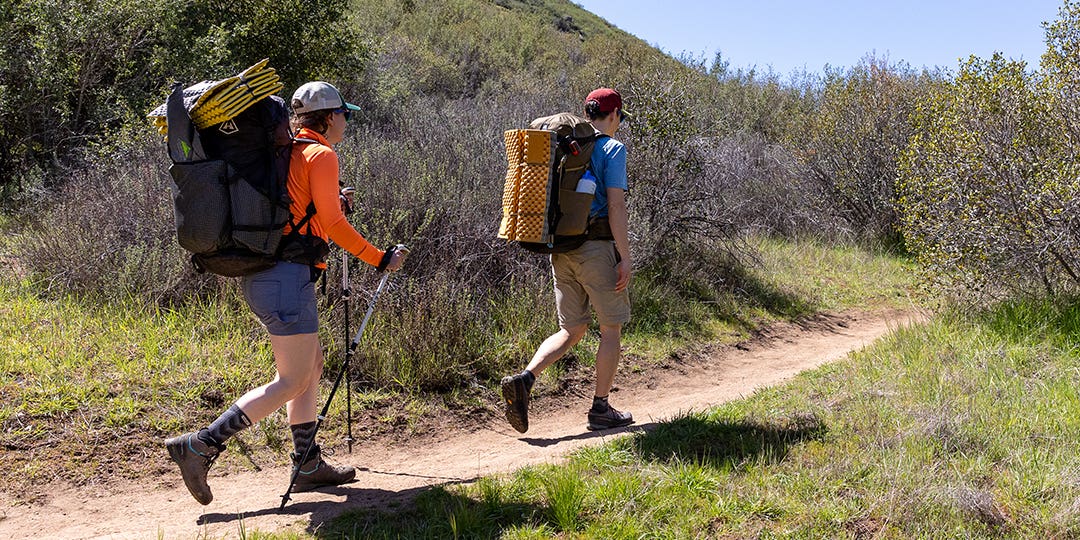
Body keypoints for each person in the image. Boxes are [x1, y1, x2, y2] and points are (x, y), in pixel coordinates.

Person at [165, 81, 405, 506]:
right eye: (343, 114)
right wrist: (379, 258)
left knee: (311, 366)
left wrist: (333, 201)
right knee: (293, 379)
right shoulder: (321, 153)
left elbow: (302, 208)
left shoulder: (288, 151)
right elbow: (331, 226)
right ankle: (200, 444)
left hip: (268, 276)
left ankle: (307, 463)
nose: (346, 121)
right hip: (285, 279)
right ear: (329, 117)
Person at [501, 87, 633, 433]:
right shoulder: (612, 149)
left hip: (561, 249)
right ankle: (600, 408)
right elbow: (616, 207)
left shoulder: (565, 147)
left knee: (572, 329)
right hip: (597, 248)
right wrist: (625, 257)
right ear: (615, 115)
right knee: (610, 328)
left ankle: (526, 379)